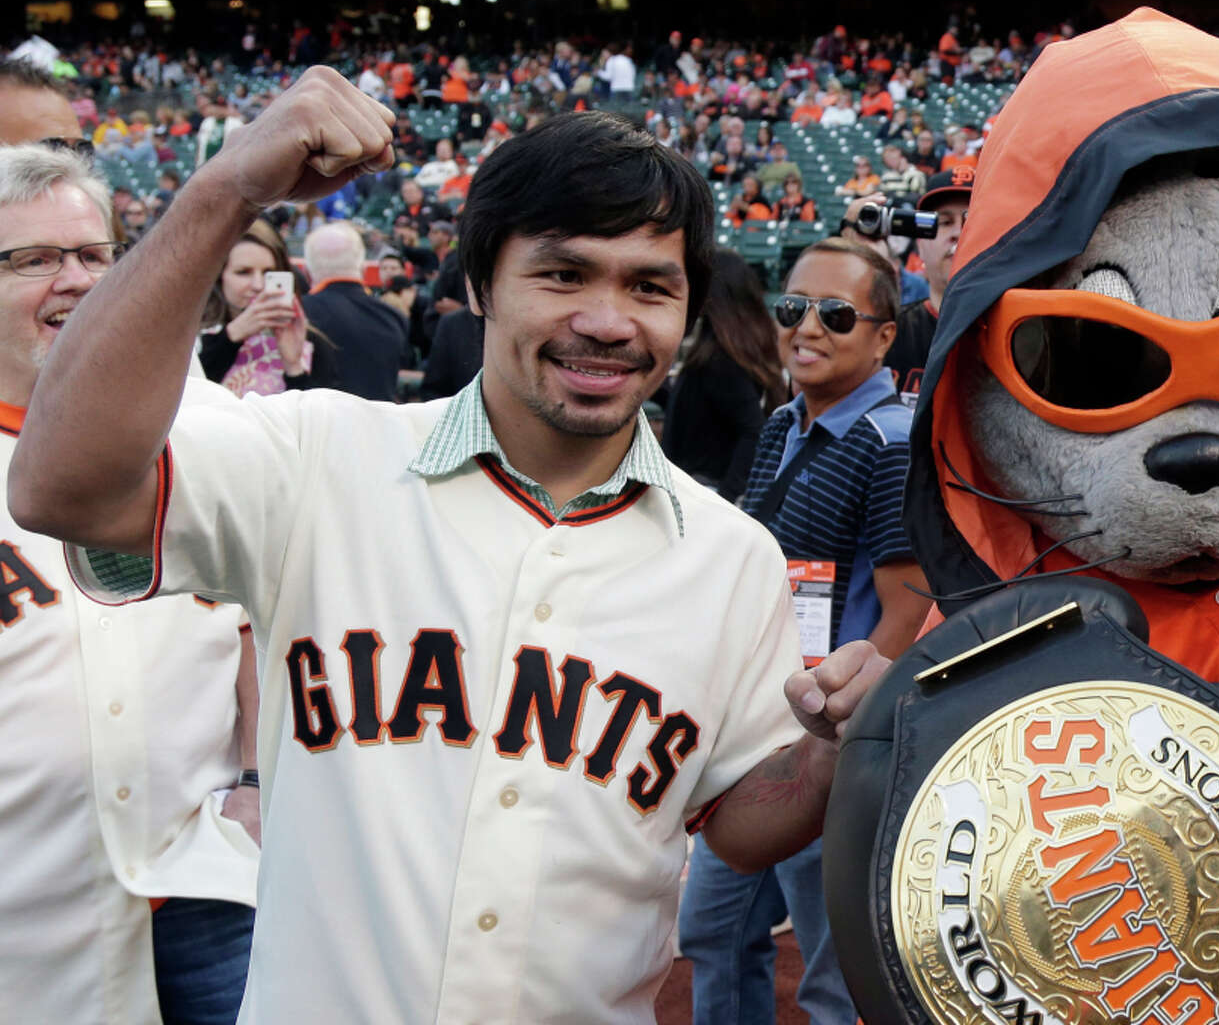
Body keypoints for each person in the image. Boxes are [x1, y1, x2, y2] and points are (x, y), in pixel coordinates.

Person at [7, 73, 887, 1024]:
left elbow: (741, 821)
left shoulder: (732, 556)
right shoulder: (317, 456)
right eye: (562, 273)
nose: (606, 318)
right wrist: (226, 192)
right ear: (478, 284)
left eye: (649, 285)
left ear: (688, 309)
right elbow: (62, 486)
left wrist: (832, 754)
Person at [0, 144, 259, 1025]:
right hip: (27, 902)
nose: (73, 282)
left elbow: (270, 615)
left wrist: (259, 782)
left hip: (212, 878)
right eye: (34, 259)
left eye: (95, 255)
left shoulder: (215, 428)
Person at [679, 237, 930, 1025]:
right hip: (758, 736)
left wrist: (843, 738)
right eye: (793, 308)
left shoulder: (893, 440)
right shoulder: (786, 422)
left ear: (885, 335)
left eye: (836, 313)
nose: (807, 328)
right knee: (710, 933)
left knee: (830, 979)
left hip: (829, 747)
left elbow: (908, 612)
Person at [663, 251, 784, 502]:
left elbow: (753, 430)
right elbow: (699, 415)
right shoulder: (722, 351)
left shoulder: (721, 360)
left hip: (703, 491)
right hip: (696, 486)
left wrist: (725, 499)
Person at [198, 219, 337, 396]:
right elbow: (187, 399)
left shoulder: (309, 341)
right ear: (219, 277)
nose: (258, 285)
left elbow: (316, 417)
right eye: (244, 272)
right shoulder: (193, 339)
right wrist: (230, 338)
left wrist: (293, 367)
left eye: (268, 273)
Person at [884, 167, 970, 403]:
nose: (957, 233)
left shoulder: (1022, 332)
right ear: (920, 244)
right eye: (944, 222)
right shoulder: (887, 335)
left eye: (971, 220)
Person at [298, 221, 410, 400]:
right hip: (378, 424)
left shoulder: (298, 314)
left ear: (307, 273)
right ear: (364, 269)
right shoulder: (394, 316)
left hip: (318, 424)